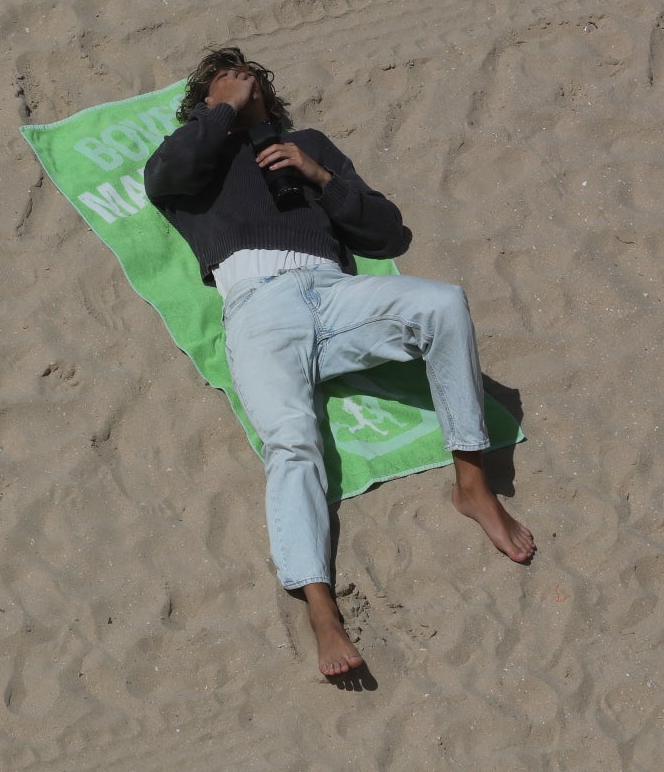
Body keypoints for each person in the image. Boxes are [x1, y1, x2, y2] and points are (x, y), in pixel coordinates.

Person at [143, 46, 535, 680]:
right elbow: (161, 178)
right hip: (258, 306)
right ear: (205, 100)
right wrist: (218, 115)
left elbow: (385, 232)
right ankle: (323, 612)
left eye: (251, 81)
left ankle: (473, 485)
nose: (243, 86)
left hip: (335, 293)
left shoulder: (309, 144)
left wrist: (320, 175)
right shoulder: (189, 153)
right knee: (292, 442)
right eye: (227, 80)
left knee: (442, 304)